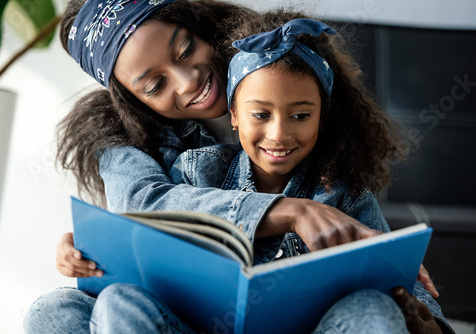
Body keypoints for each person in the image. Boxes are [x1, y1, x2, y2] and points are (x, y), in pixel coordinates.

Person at [23, 0, 449, 333]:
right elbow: (142, 205)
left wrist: (408, 292)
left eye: (186, 48)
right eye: (155, 84)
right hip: (181, 318)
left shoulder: (276, 70)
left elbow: (396, 279)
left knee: (374, 308)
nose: (187, 80)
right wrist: (90, 247)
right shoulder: (140, 147)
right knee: (56, 311)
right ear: (132, 102)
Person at [167, 18, 454, 333]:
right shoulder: (197, 172)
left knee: (375, 306)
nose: (279, 134)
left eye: (301, 116)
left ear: (321, 117)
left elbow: (404, 284)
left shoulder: (343, 195)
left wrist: (429, 324)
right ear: (234, 114)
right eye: (260, 114)